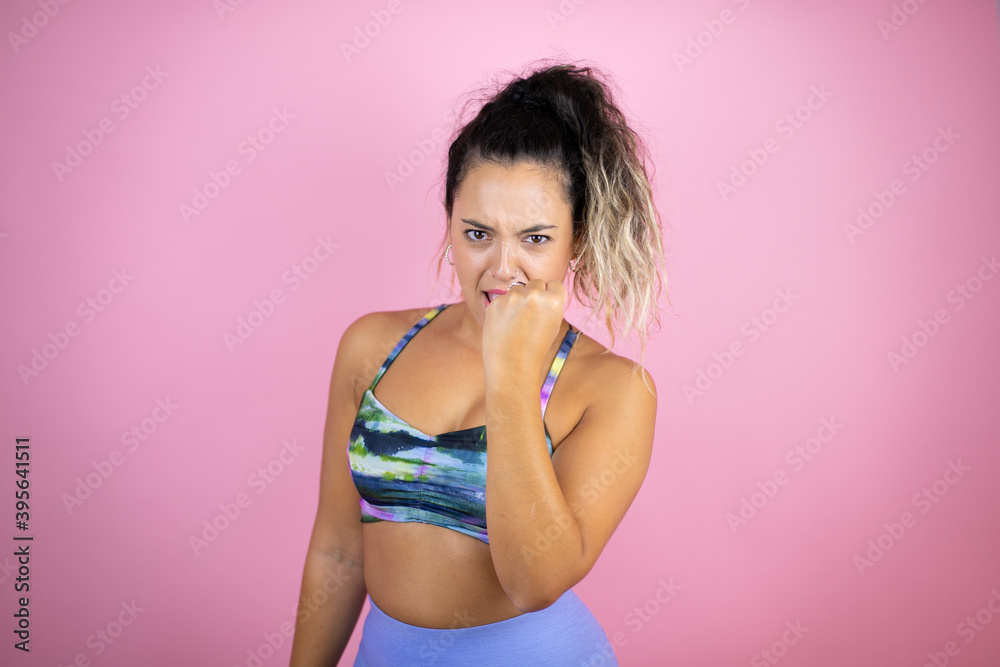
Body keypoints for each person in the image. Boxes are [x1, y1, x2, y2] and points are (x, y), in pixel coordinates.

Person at [289, 60, 666, 666]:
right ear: (450, 225)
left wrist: (511, 375)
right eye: (477, 234)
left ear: (576, 240)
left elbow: (535, 581)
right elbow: (338, 549)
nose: (502, 268)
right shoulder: (372, 346)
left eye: (536, 238)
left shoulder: (615, 390)